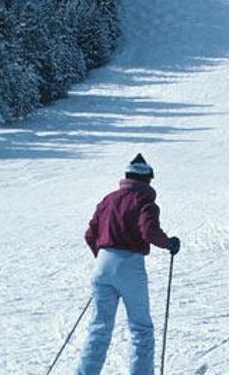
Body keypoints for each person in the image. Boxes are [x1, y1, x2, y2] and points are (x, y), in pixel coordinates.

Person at [76, 154, 181, 375]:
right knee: (140, 328)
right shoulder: (144, 201)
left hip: (102, 265)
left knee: (99, 328)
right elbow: (148, 231)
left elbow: (89, 234)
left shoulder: (108, 199)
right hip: (130, 266)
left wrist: (104, 257)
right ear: (146, 179)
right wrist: (169, 243)